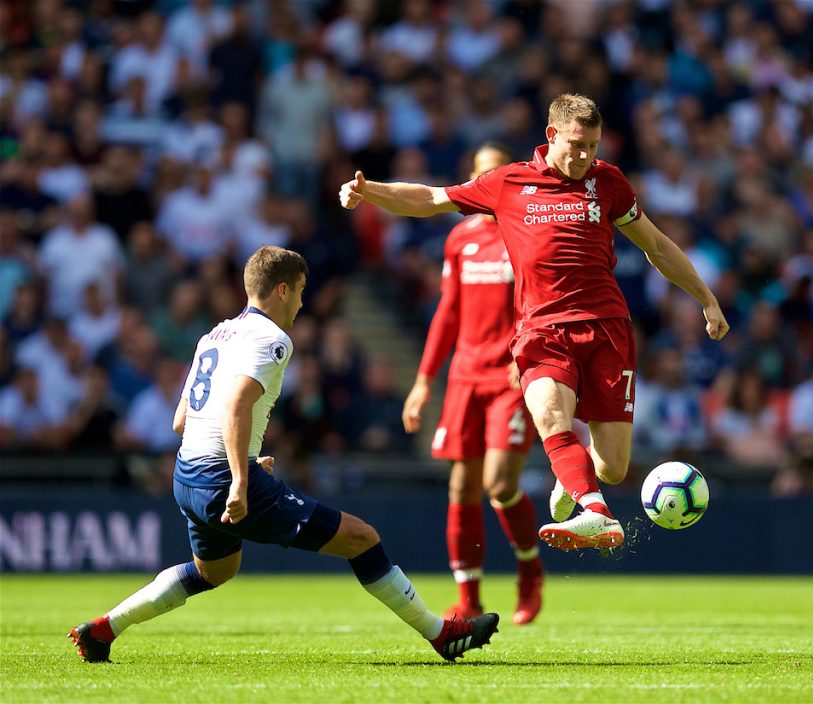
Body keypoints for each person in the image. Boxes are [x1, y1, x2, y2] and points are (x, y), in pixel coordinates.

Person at [68, 246, 499, 664]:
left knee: (213, 571)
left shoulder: (213, 334)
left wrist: (247, 459)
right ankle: (442, 636)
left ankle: (104, 628)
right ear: (281, 290)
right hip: (222, 479)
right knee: (362, 538)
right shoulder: (273, 338)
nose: (301, 301)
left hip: (188, 475)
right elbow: (236, 405)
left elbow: (182, 419)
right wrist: (240, 476)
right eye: (300, 289)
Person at [341, 94, 729, 550]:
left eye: (594, 146)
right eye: (577, 145)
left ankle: (576, 476)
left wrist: (706, 298)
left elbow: (657, 247)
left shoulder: (609, 182)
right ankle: (597, 513)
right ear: (551, 135)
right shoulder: (507, 183)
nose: (585, 156)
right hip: (541, 331)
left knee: (613, 468)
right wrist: (370, 191)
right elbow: (431, 198)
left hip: (607, 327)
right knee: (549, 416)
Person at [402, 142, 544, 624]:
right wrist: (424, 380)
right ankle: (470, 599)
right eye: (481, 172)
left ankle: (529, 571)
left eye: (496, 173)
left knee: (500, 485)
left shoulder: (525, 233)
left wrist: (525, 356)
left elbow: (539, 304)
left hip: (508, 376)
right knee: (461, 488)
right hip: (465, 375)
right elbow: (448, 312)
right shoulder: (459, 238)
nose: (488, 181)